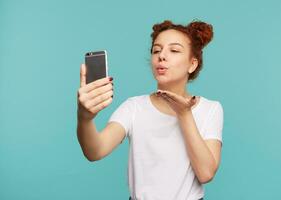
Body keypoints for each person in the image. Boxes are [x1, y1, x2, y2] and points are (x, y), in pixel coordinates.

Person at [77, 19, 224, 200]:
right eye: (156, 50)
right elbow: (95, 151)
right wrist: (85, 118)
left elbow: (206, 173)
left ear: (192, 64)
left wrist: (184, 114)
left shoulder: (211, 109)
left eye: (174, 50)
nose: (161, 56)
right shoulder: (134, 107)